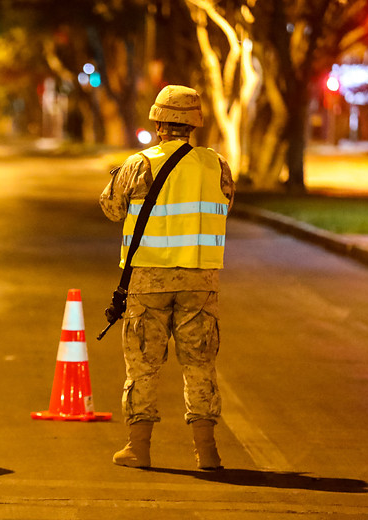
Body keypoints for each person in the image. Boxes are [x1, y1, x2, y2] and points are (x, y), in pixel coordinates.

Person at [99, 85, 234, 470]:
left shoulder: (140, 164)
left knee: (143, 366)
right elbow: (226, 206)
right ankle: (207, 453)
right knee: (199, 366)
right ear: (195, 122)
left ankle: (138, 448)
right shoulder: (216, 165)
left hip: (148, 281)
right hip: (200, 281)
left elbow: (111, 208)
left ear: (158, 122)